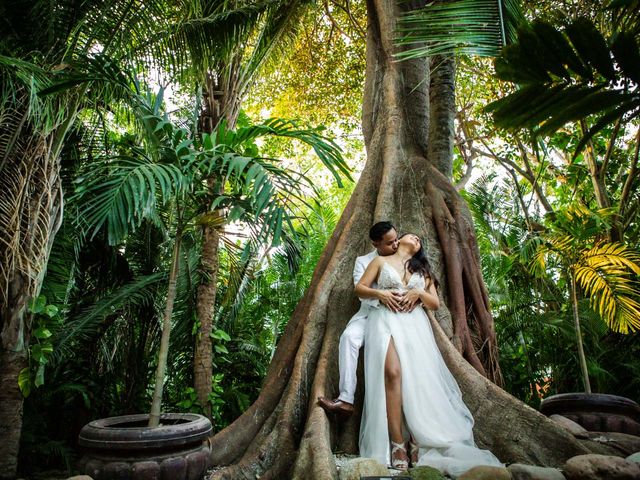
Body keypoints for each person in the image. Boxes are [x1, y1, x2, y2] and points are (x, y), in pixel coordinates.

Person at [355, 233, 502, 477]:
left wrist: (419, 294)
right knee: (392, 373)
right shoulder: (381, 262)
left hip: (415, 326)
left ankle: (416, 441)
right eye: (412, 236)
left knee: (416, 380)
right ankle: (397, 444)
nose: (416, 239)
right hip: (385, 320)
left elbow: (435, 303)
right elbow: (359, 288)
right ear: (398, 240)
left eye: (419, 240)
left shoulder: (422, 270)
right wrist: (382, 294)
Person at [317, 221, 403, 416]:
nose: (396, 245)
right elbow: (360, 291)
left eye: (397, 239)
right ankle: (346, 399)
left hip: (397, 316)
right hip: (368, 313)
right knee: (348, 338)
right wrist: (381, 295)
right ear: (376, 244)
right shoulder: (363, 261)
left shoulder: (402, 257)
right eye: (390, 243)